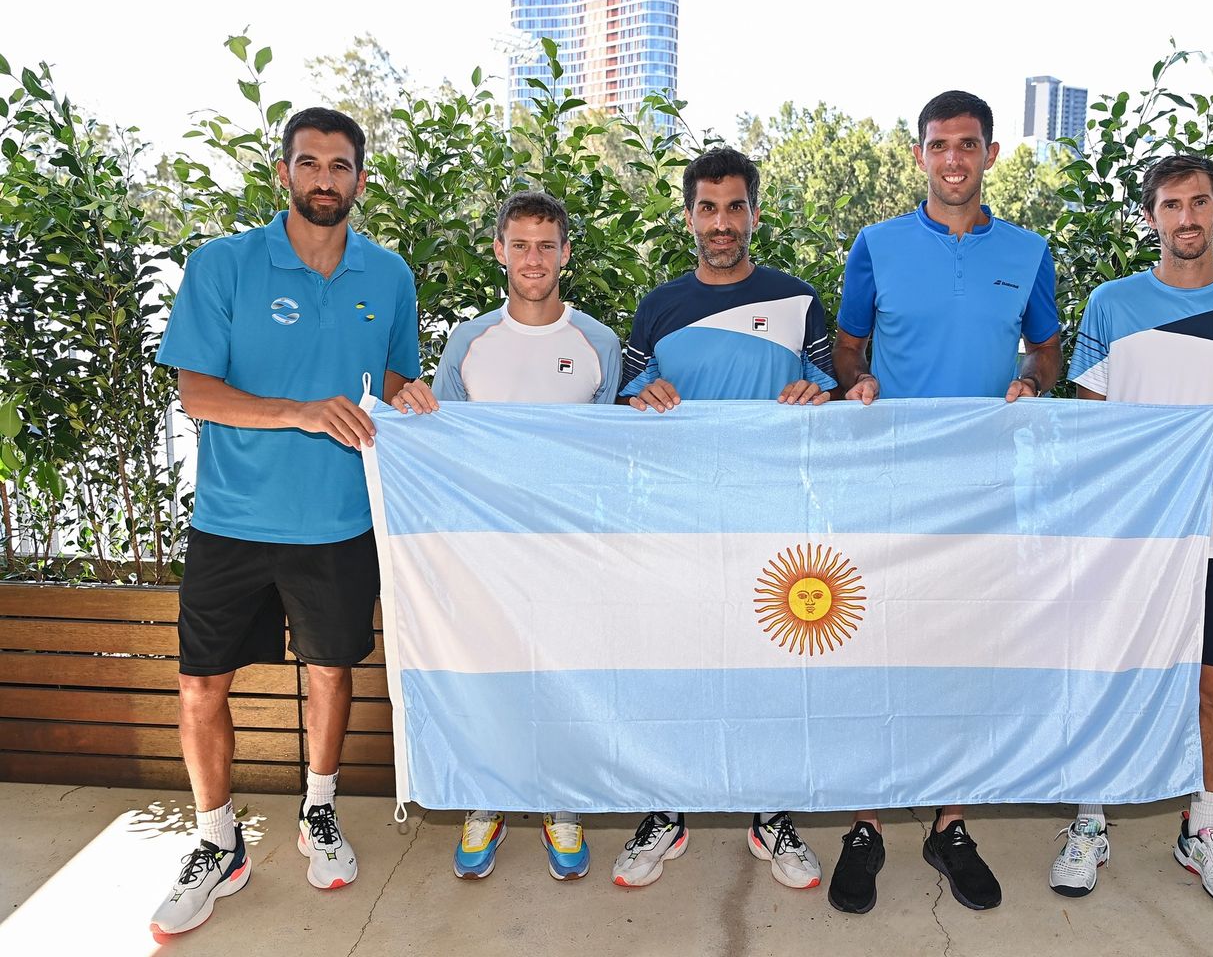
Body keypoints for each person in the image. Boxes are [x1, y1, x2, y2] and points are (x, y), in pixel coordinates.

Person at [149, 108, 419, 939]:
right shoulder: (224, 265)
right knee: (201, 685)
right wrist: (300, 412)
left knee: (329, 675)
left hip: (341, 523)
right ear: (284, 173)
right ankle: (216, 838)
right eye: (309, 163)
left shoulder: (389, 275)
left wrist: (412, 397)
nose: (325, 179)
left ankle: (320, 811)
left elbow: (397, 380)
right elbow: (197, 394)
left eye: (341, 166)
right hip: (232, 519)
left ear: (360, 181)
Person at [829, 90, 1062, 915]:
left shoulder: (1030, 251)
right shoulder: (877, 245)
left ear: (991, 154)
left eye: (969, 145)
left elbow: (1048, 350)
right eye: (939, 146)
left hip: (985, 492)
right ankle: (866, 822)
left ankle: (950, 822)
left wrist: (1033, 381)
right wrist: (852, 381)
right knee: (874, 646)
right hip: (888, 485)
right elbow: (846, 347)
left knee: (967, 651)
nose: (954, 160)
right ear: (920, 155)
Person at [1053, 154, 1213, 910]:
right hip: (1130, 539)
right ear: (1151, 217)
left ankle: (1204, 830)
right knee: (1110, 676)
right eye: (1170, 205)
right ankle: (1091, 822)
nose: (1185, 218)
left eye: (1199, 202)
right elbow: (1084, 421)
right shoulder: (1111, 304)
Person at [613, 146, 834, 890]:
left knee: (771, 669)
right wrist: (639, 401)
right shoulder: (658, 307)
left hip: (774, 524)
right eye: (708, 208)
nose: (721, 222)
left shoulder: (800, 301)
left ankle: (772, 814)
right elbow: (620, 411)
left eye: (735, 206)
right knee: (672, 664)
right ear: (688, 217)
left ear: (755, 214)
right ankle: (664, 810)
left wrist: (821, 398)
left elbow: (834, 404)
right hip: (678, 525)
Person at [388, 190, 621, 882]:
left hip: (568, 552)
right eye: (519, 244)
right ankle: (487, 796)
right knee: (487, 674)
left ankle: (561, 799)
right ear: (499, 250)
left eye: (546, 245)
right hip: (483, 552)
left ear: (566, 254)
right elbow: (438, 444)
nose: (533, 258)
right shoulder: (468, 342)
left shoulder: (599, 343)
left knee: (565, 673)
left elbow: (610, 456)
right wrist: (410, 408)